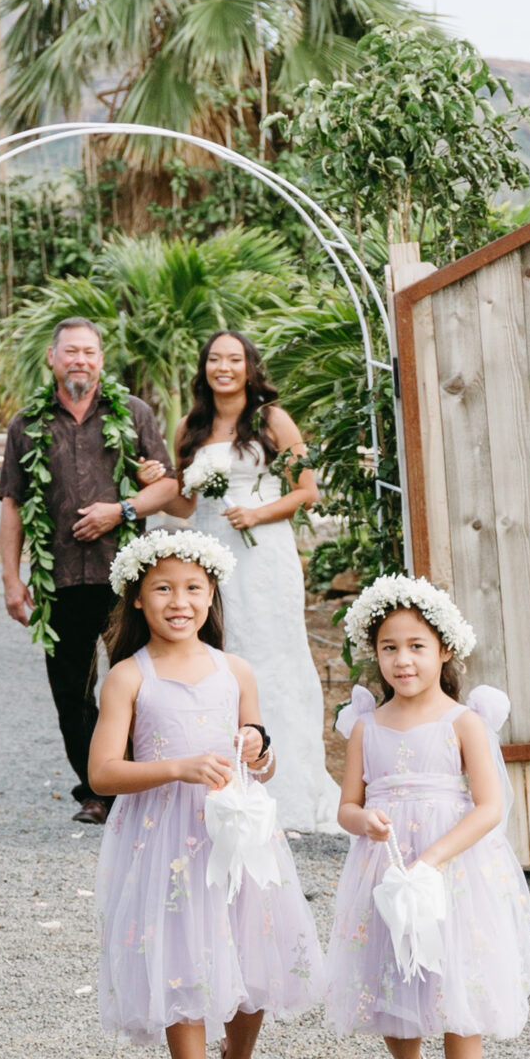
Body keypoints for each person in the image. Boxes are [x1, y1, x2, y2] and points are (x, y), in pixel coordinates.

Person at [88, 531, 326, 1059]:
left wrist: (260, 749)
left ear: (213, 593)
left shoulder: (235, 670)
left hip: (240, 836)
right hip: (168, 841)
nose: (179, 601)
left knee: (255, 964)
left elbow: (262, 762)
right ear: (137, 597)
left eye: (193, 588)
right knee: (184, 967)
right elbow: (104, 773)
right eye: (163, 587)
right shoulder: (128, 678)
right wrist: (176, 767)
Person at [319, 575, 530, 1059]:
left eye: (416, 646)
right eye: (389, 647)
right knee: (391, 988)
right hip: (386, 867)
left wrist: (434, 858)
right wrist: (363, 818)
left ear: (443, 650)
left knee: (454, 993)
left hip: (453, 870)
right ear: (375, 654)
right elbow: (345, 806)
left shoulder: (464, 722)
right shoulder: (367, 725)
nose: (402, 659)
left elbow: (491, 807)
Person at [147, 330, 340, 833]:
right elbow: (186, 504)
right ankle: (220, 780)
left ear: (250, 367)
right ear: (204, 367)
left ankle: (288, 786)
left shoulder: (271, 419)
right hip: (210, 554)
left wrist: (258, 514)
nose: (224, 367)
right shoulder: (191, 425)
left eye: (234, 359)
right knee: (219, 653)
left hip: (264, 556)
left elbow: (308, 489)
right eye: (215, 359)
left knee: (272, 658)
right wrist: (156, 487)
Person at [0, 317, 178, 822]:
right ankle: (97, 790)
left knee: (137, 682)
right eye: (70, 351)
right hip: (57, 582)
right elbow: (12, 504)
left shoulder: (133, 413)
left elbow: (166, 487)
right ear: (53, 358)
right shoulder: (26, 424)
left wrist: (118, 511)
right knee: (72, 691)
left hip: (124, 577)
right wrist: (12, 580)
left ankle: (145, 781)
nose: (80, 359)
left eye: (89, 352)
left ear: (101, 359)